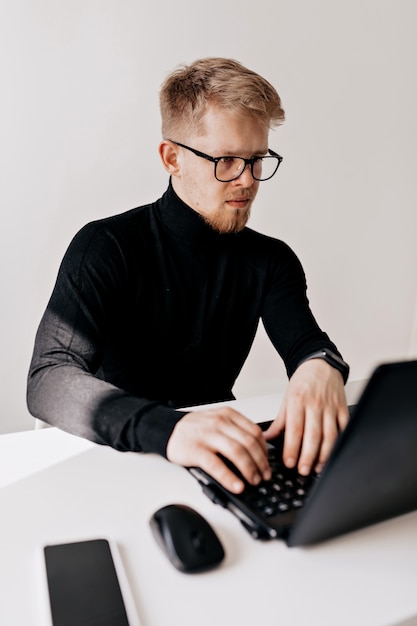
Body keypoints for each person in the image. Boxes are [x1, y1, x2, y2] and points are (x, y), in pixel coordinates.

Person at [27, 57, 349, 494]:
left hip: (215, 462)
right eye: (228, 160)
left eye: (257, 159)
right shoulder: (105, 245)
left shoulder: (271, 259)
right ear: (172, 157)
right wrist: (172, 430)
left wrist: (320, 366)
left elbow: (307, 344)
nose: (248, 180)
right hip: (114, 461)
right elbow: (48, 378)